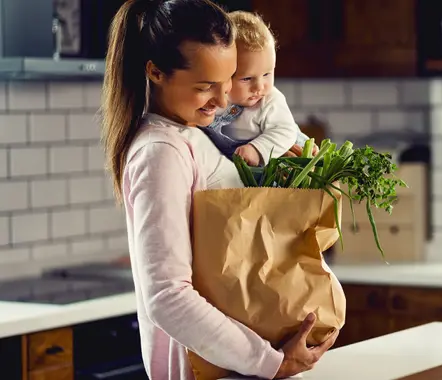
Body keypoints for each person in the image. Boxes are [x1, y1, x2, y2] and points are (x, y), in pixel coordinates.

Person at [100, 0, 337, 379]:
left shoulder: (195, 137)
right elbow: (168, 297)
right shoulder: (161, 151)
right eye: (206, 86)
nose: (224, 100)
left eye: (228, 80)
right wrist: (271, 362)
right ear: (156, 72)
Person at [199, 10, 313, 166]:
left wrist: (256, 149)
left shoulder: (270, 100)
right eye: (247, 78)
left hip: (282, 158)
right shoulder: (215, 103)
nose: (259, 87)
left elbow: (285, 132)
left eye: (267, 74)